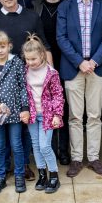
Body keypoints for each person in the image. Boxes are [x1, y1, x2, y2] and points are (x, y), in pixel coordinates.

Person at [0, 0, 52, 181]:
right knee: (4, 128)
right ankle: (6, 168)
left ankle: (24, 165)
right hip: (2, 81)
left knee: (25, 124)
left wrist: (51, 73)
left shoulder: (32, 17)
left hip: (29, 77)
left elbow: (44, 45)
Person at [57, 0, 102, 178]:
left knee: (94, 115)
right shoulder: (66, 7)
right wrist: (79, 62)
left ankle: (93, 158)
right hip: (73, 68)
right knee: (74, 116)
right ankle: (75, 159)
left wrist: (94, 61)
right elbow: (61, 38)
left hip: (96, 69)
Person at [0, 31, 30, 194]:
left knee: (16, 143)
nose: (0, 50)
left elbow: (23, 86)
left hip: (14, 112)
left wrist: (25, 108)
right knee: (0, 145)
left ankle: (19, 175)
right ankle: (0, 176)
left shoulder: (16, 62)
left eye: (3, 47)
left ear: (9, 46)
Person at [32, 0, 69, 165]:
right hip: (41, 63)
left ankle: (63, 150)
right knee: (43, 106)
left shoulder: (68, 6)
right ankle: (49, 150)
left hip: (65, 60)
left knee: (61, 107)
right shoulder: (35, 6)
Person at [23, 34, 64, 193]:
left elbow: (58, 95)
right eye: (27, 59)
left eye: (33, 59)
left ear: (42, 55)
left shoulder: (51, 73)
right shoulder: (25, 71)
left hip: (48, 115)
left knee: (45, 146)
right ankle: (42, 175)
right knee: (36, 146)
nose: (30, 62)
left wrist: (57, 115)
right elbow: (24, 93)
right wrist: (24, 110)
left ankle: (54, 175)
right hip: (33, 115)